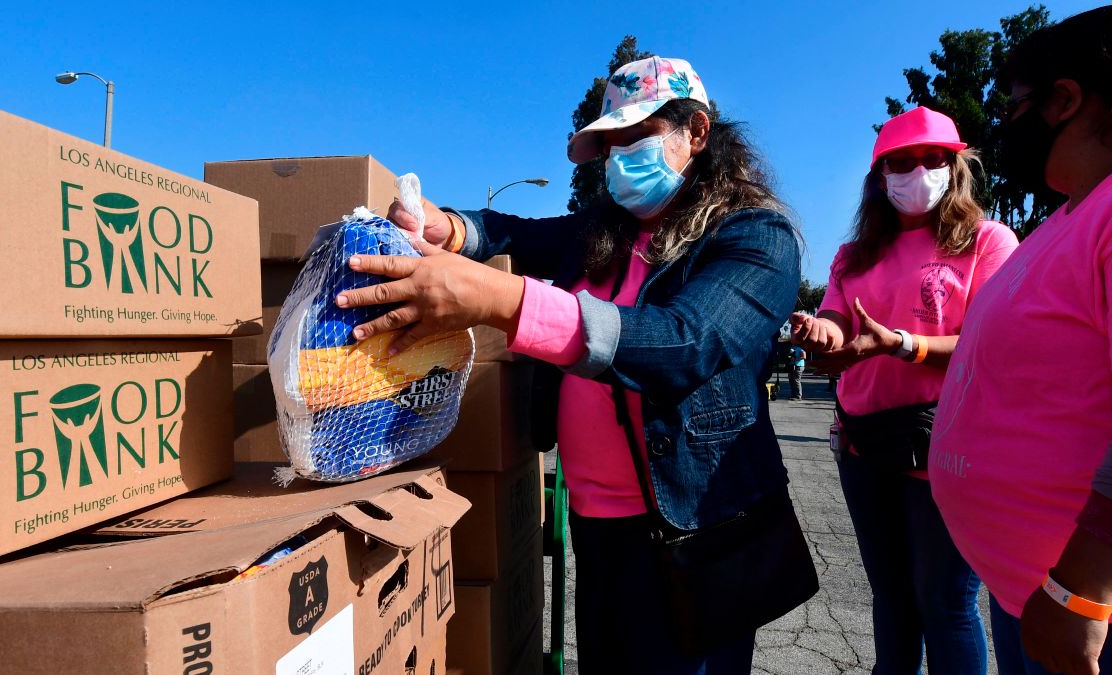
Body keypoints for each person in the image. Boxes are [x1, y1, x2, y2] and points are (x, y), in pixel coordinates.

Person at [333, 56, 815, 674]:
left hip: (691, 531)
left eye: (635, 137)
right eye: (609, 143)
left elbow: (684, 342)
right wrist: (446, 226)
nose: (617, 158)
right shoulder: (603, 230)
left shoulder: (756, 238)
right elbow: (512, 232)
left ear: (696, 132)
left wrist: (498, 300)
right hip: (598, 524)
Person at [790, 106, 1019, 674]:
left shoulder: (987, 242)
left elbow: (991, 346)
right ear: (879, 176)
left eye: (933, 159)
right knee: (891, 600)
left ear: (955, 165)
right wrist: (819, 333)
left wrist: (902, 344)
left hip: (950, 446)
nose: (918, 171)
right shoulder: (852, 255)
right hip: (863, 445)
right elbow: (838, 320)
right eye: (901, 162)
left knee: (944, 604)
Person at [929, 8, 1112, 674]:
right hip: (1030, 595)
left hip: (1080, 614)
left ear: (1064, 100)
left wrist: (1084, 584)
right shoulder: (1072, 215)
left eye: (1013, 110)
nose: (1003, 129)